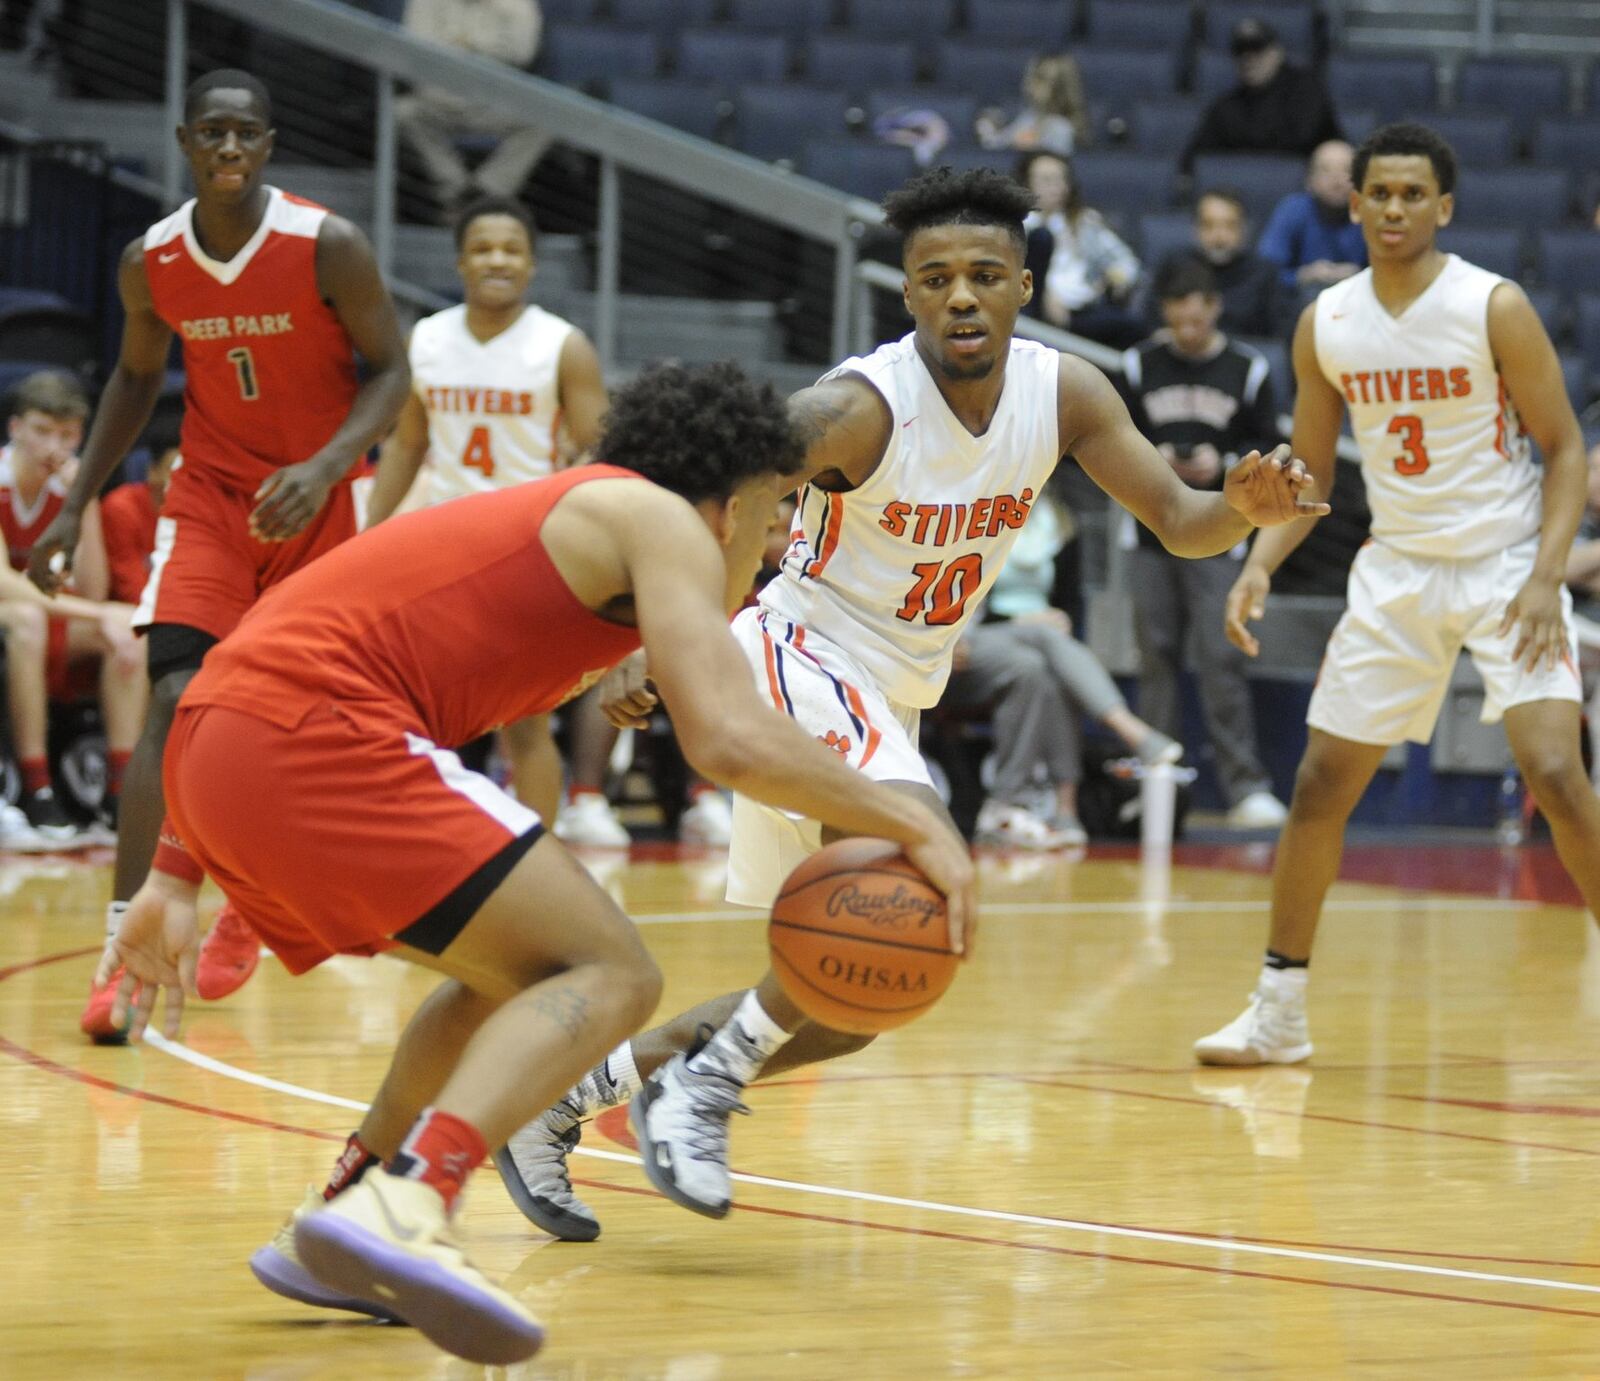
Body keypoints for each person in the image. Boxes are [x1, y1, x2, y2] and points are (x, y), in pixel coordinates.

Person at [495, 166, 1325, 1240]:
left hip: (894, 688)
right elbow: (704, 492)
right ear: (909, 296)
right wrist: (661, 632)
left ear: (1026, 285)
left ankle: (556, 1101)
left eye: (985, 275)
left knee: (853, 995)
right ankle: (700, 1092)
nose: (962, 296)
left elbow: (1177, 518)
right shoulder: (856, 410)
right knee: (921, 867)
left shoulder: (1065, 391)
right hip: (802, 651)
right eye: (936, 279)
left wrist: (1237, 510)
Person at [100, 361, 976, 1366]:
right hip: (312, 729)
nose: (782, 542)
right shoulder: (655, 519)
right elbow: (730, 737)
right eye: (780, 510)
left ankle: (341, 1213)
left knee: (507, 976)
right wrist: (917, 823)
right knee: (611, 972)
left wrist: (173, 872)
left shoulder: (588, 526)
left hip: (224, 740)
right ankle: (412, 1197)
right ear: (731, 502)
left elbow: (290, 637)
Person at [1194, 123, 1600, 1065]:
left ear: (1444, 207)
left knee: (1557, 773)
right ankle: (1279, 1011)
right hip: (1398, 569)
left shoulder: (1492, 305)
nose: (1394, 209)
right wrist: (1258, 562)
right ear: (1355, 201)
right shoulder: (1326, 321)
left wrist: (1547, 576)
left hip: (1505, 563)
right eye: (1379, 193)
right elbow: (1310, 474)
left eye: (1413, 194)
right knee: (1320, 783)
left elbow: (1565, 446)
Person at [27, 69, 411, 1040]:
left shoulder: (329, 245)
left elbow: (394, 371)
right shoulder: (149, 260)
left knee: (280, 723)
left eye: (246, 135)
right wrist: (72, 508)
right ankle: (123, 954)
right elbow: (131, 376)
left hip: (314, 501)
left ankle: (244, 890)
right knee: (172, 694)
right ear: (185, 141)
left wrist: (327, 467)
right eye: (213, 135)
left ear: (269, 144)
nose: (230, 151)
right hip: (209, 498)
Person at [366, 193, 604, 829]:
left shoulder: (562, 345)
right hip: (440, 548)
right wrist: (369, 535)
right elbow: (408, 443)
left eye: (510, 249)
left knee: (524, 723)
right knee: (420, 713)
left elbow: (600, 450)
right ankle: (426, 848)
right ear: (460, 262)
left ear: (530, 265)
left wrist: (560, 514)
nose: (496, 259)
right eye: (482, 248)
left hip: (526, 549)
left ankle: (540, 858)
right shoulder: (427, 337)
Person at [1122, 258, 1288, 828]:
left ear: (1214, 308)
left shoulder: (1249, 368)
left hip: (1223, 530)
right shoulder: (1138, 363)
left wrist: (1222, 463)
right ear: (1166, 313)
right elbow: (1117, 440)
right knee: (1156, 658)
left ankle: (1245, 788)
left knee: (1221, 657)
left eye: (1198, 319)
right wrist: (1157, 462)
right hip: (1147, 531)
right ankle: (1156, 789)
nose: (1188, 330)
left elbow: (1271, 445)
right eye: (1178, 320)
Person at [943, 493, 1181, 848]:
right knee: (1042, 642)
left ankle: (1043, 808)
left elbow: (1070, 599)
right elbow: (966, 606)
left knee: (1041, 669)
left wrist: (1061, 621)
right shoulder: (973, 514)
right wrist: (1022, 620)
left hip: (1036, 646)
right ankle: (1130, 731)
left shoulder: (1061, 521)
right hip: (974, 639)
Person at [0, 371, 144, 846]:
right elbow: (3, 582)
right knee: (27, 619)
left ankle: (118, 794)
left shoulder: (72, 490)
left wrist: (84, 501)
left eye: (66, 435)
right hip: (12, 616)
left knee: (129, 626)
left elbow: (95, 588)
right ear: (15, 428)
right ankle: (36, 786)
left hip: (52, 617)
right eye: (42, 431)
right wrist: (94, 613)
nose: (52, 446)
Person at [396, 0, 547, 220]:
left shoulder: (518, 4)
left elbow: (522, 52)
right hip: (437, 99)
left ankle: (483, 193)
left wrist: (466, 44)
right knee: (403, 112)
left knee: (545, 122)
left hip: (494, 104)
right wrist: (487, 49)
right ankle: (456, 190)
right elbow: (416, 45)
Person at [1180, 19, 1342, 174]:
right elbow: (1195, 157)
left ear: (1277, 52)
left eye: (1257, 49)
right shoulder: (1226, 105)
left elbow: (1302, 142)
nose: (1248, 58)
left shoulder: (1307, 89)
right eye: (1240, 51)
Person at [1019, 152, 1145, 349]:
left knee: (1132, 327)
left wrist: (1112, 278)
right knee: (1041, 238)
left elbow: (1127, 263)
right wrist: (1047, 295)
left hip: (1081, 309)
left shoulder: (1085, 222)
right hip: (1031, 307)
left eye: (1061, 179)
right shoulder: (1014, 226)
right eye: (1046, 179)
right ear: (1026, 183)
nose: (1055, 186)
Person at [1155, 187, 1284, 339]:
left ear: (1243, 229)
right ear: (1195, 229)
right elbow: (1152, 322)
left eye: (1229, 226)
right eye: (1208, 225)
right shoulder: (1174, 264)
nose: (1219, 236)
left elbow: (1277, 336)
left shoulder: (1264, 273)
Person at [1258, 140, 1367, 300]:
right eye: (1325, 170)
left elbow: (1393, 272)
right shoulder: (1293, 209)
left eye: (1346, 171)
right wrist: (1302, 276)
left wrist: (1360, 275)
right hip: (1299, 303)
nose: (1336, 180)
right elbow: (1264, 273)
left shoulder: (1371, 213)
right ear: (1309, 180)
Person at [99, 422, 179, 608]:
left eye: (192, 473)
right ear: (152, 472)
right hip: (128, 616)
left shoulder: (204, 512)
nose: (184, 481)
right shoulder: (121, 508)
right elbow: (132, 591)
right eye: (174, 471)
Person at [976, 53, 1090, 159]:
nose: (1030, 84)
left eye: (1041, 78)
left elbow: (1055, 168)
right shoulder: (1029, 117)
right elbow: (999, 145)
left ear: (1060, 88)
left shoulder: (1062, 129)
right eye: (1032, 76)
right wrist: (987, 129)